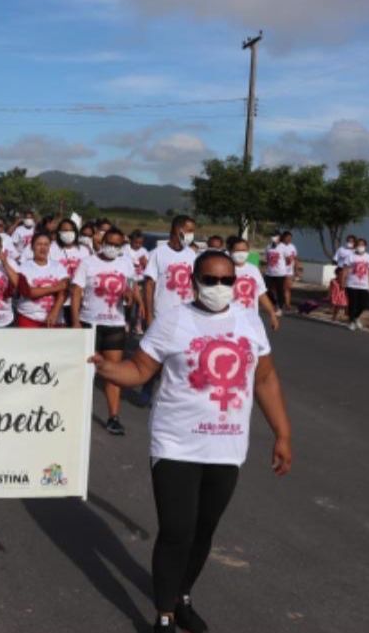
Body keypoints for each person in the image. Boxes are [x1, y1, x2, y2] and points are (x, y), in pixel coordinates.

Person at [89, 250, 292, 633]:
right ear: (193, 281)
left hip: (227, 446)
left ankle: (182, 595)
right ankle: (163, 615)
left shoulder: (250, 321)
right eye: (210, 280)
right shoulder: (173, 320)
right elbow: (138, 369)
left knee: (204, 530)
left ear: (238, 283)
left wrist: (283, 433)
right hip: (176, 443)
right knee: (177, 529)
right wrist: (105, 367)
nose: (219, 287)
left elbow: (264, 379)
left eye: (227, 281)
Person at [71, 227, 136, 435]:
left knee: (112, 373)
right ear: (103, 241)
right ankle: (75, 414)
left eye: (118, 245)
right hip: (90, 322)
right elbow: (77, 292)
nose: (113, 248)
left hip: (115, 324)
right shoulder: (87, 262)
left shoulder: (126, 263)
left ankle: (113, 417)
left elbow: (131, 290)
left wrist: (129, 296)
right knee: (84, 371)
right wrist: (75, 322)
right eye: (110, 243)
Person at [143, 215, 197, 328]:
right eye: (190, 231)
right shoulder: (157, 253)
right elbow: (149, 285)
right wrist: (149, 315)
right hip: (162, 315)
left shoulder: (192, 254)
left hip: (187, 315)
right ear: (179, 230)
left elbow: (196, 285)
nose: (192, 235)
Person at [16, 232, 68, 328]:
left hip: (55, 318)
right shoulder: (23, 268)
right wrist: (56, 288)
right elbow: (29, 292)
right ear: (32, 247)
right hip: (29, 317)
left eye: (46, 244)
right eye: (39, 244)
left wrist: (55, 311)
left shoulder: (58, 266)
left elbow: (64, 289)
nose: (43, 248)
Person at [227, 236, 279, 331]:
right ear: (230, 251)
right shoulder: (223, 268)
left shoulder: (253, 269)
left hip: (250, 319)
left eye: (244, 250)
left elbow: (261, 294)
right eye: (237, 250)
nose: (241, 253)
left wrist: (272, 314)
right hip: (229, 319)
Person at [342, 237, 369, 331]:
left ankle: (356, 317)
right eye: (358, 245)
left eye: (362, 245)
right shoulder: (351, 256)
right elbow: (345, 269)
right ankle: (351, 321)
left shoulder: (368, 256)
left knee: (363, 304)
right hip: (351, 284)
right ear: (355, 246)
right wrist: (342, 282)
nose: (360, 246)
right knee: (352, 304)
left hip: (364, 285)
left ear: (365, 246)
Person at [124, 230, 149, 334]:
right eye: (136, 242)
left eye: (140, 243)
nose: (138, 245)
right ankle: (127, 321)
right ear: (131, 241)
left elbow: (147, 265)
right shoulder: (126, 249)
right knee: (129, 302)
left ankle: (138, 324)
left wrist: (145, 263)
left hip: (140, 280)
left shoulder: (144, 251)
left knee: (140, 303)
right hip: (129, 279)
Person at [262, 233, 286, 313]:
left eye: (275, 236)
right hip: (269, 272)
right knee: (265, 289)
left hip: (280, 273)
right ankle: (274, 302)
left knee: (280, 290)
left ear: (279, 238)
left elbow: (288, 258)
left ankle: (280, 307)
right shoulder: (268, 247)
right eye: (272, 236)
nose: (273, 238)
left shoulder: (283, 247)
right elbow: (266, 259)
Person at [278, 231, 300, 311]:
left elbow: (295, 258)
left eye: (290, 238)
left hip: (289, 271)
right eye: (287, 238)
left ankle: (287, 304)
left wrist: (296, 270)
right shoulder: (279, 246)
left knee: (288, 288)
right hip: (279, 271)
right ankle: (277, 302)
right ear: (283, 237)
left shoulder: (292, 247)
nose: (289, 240)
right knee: (279, 288)